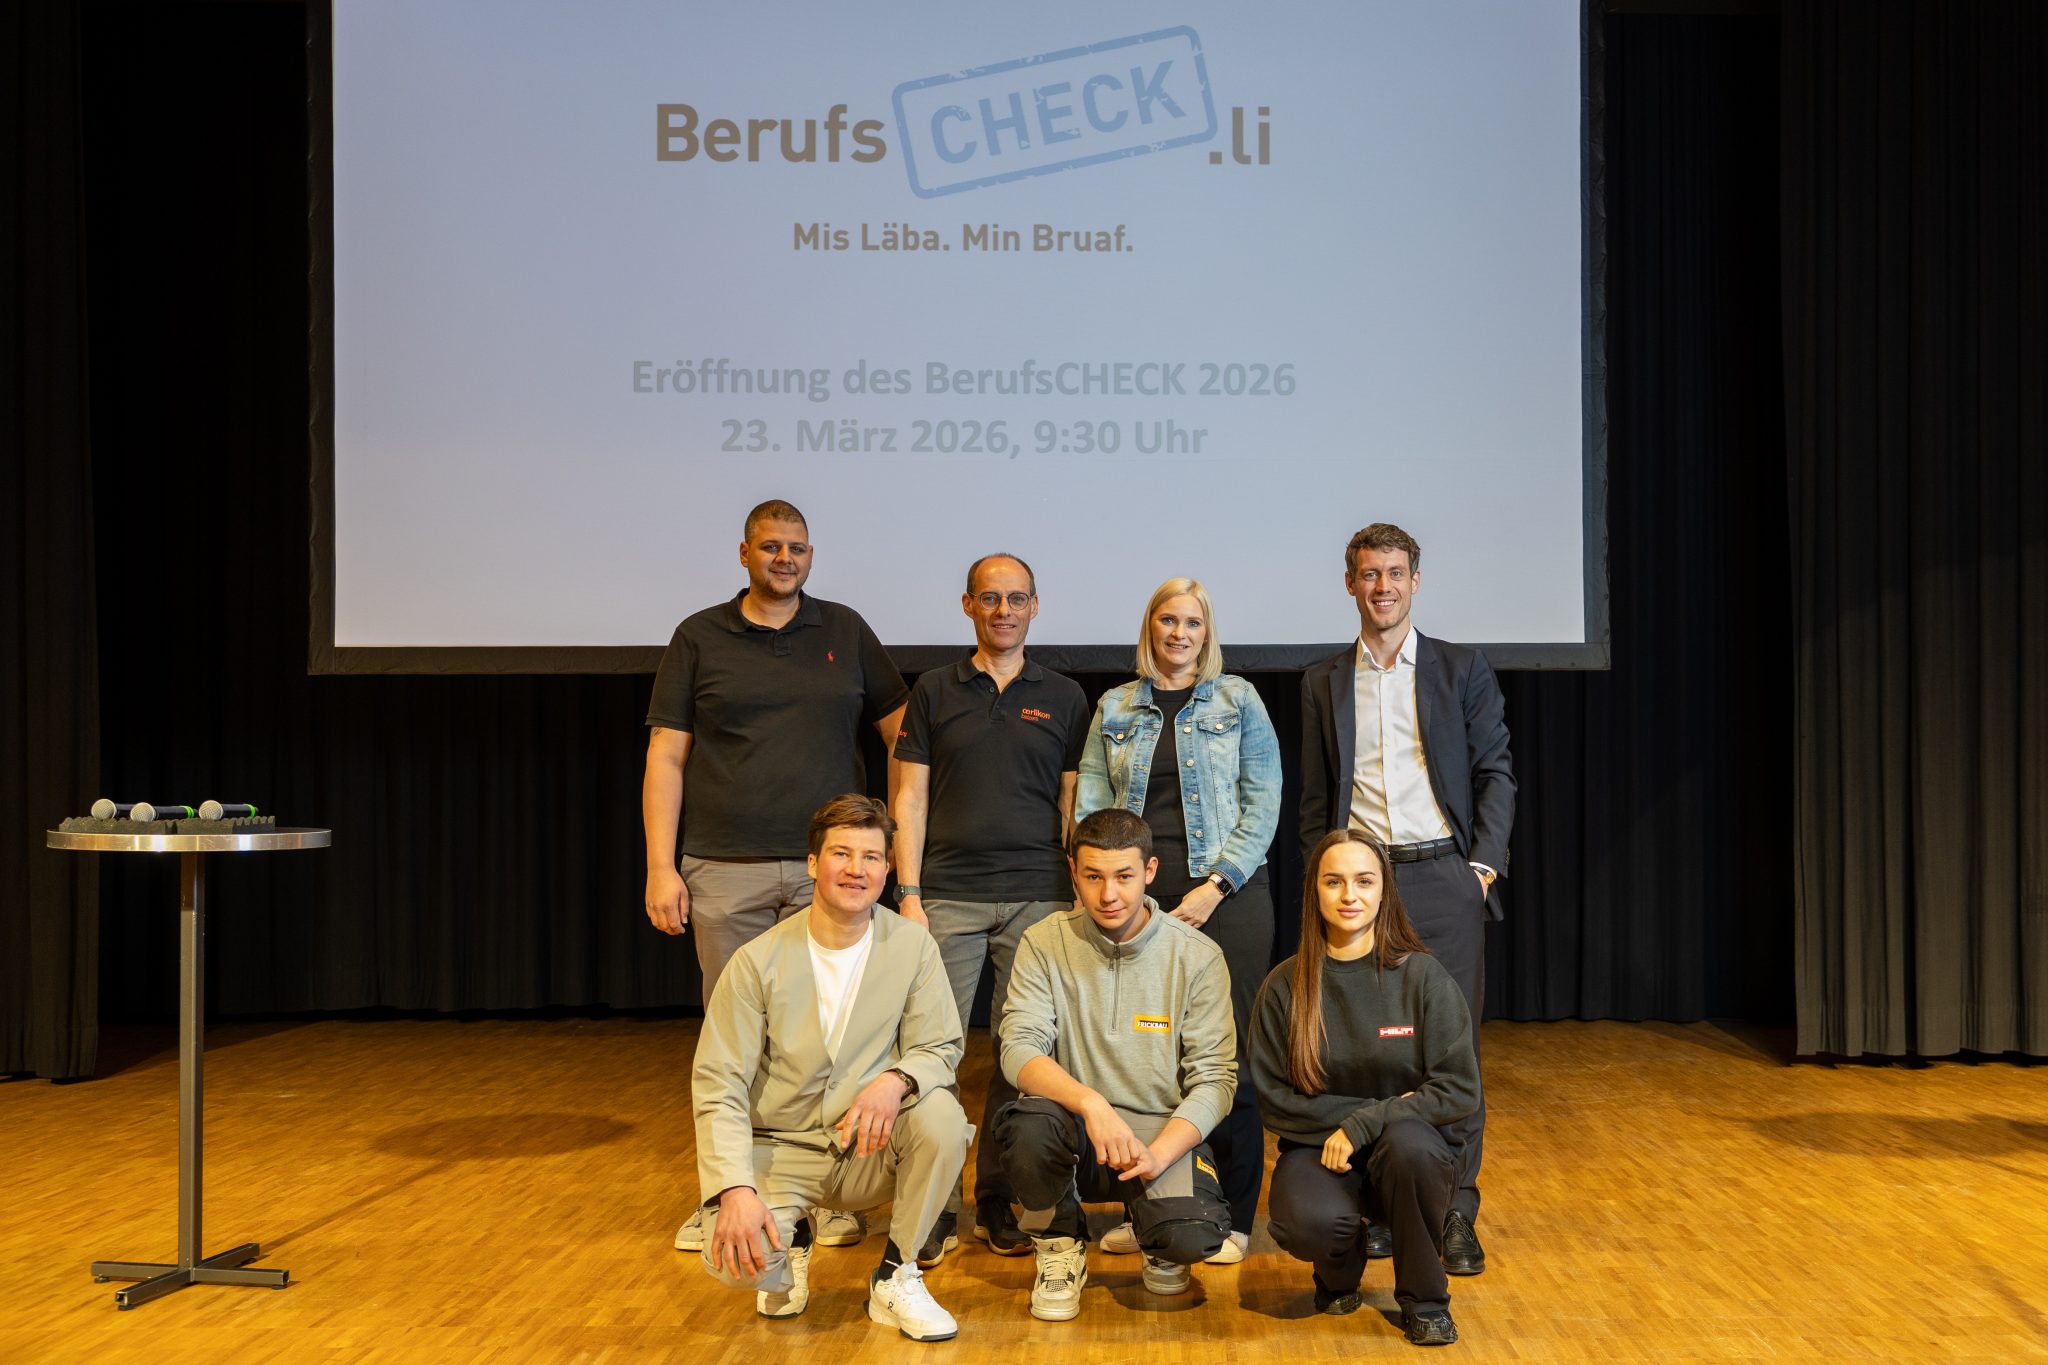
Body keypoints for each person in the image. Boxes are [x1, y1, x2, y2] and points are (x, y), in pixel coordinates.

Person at [646, 499, 909, 1253]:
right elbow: (666, 755)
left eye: (796, 547)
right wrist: (662, 866)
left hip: (834, 872)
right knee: (737, 1043)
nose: (784, 558)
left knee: (833, 1034)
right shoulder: (699, 635)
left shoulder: (845, 630)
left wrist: (885, 842)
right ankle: (731, 1193)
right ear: (744, 554)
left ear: (811, 554)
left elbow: (904, 737)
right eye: (770, 546)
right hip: (724, 865)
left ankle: (822, 1193)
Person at [1298, 522, 1514, 1275]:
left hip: (1442, 877)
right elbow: (1318, 797)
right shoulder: (1323, 680)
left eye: (1395, 573)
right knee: (1367, 1048)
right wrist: (1319, 880)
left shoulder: (1460, 667)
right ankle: (1387, 1204)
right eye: (1368, 573)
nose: (1382, 586)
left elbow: (1497, 772)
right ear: (1350, 583)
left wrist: (1479, 868)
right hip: (1359, 884)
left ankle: (1455, 1210)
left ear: (1415, 581)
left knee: (1452, 1051)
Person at [691, 794, 971, 1341]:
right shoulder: (756, 961)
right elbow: (719, 1085)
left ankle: (898, 1272)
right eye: (841, 854)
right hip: (782, 1147)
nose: (856, 869)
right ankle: (791, 1240)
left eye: (870, 857)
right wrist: (734, 1190)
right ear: (814, 864)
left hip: (869, 1143)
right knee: (733, 1261)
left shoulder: (913, 946)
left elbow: (940, 1045)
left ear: (887, 870)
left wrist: (895, 1081)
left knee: (941, 1116)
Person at [890, 553, 1089, 1264]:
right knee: (932, 1049)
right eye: (989, 598)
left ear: (1036, 605)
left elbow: (1073, 804)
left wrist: (1076, 895)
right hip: (944, 895)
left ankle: (999, 1200)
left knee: (1019, 1055)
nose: (1003, 609)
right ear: (968, 605)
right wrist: (907, 895)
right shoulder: (934, 690)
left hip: (1040, 895)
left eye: (1016, 598)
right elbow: (907, 798)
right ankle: (936, 1204)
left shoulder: (1064, 696)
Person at [1074, 577, 1280, 1264]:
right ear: (1151, 627)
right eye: (1168, 619)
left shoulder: (1238, 699)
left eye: (1193, 621)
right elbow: (1094, 808)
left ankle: (1239, 1217)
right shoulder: (1116, 705)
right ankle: (1155, 1206)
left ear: (1206, 631)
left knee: (1230, 1061)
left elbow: (1264, 799)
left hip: (1231, 896)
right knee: (1144, 1060)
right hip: (1136, 900)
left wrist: (1216, 885)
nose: (1179, 632)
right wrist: (1106, 885)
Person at [996, 808, 1235, 1323]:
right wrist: (1091, 1103)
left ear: (1150, 871)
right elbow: (1018, 1048)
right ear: (1073, 874)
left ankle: (1155, 1233)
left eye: (1124, 876)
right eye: (1094, 877)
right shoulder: (1043, 941)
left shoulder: (1197, 956)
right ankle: (1059, 1247)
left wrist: (1160, 1153)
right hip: (1075, 1130)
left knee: (1190, 1238)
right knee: (1030, 1123)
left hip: (1157, 1134)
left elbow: (1215, 1079)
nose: (1109, 895)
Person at [1251, 829, 1479, 1346]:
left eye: (1363, 881)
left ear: (1384, 891)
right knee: (1306, 1223)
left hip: (1409, 1153)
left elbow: (1459, 1089)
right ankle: (1339, 1270)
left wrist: (1365, 1124)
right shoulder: (1285, 987)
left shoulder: (1423, 978)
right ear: (1315, 892)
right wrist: (1366, 1119)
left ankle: (1425, 1300)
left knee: (1410, 1147)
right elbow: (1275, 1099)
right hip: (1321, 1152)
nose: (1349, 895)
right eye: (1334, 882)